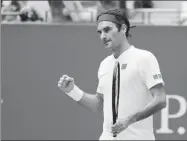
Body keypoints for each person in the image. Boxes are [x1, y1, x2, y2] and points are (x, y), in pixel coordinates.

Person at [58, 8, 166, 140]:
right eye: (100, 32)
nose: (102, 36)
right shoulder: (104, 64)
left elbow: (160, 100)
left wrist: (129, 120)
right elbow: (99, 105)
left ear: (123, 29)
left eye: (107, 29)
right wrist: (72, 91)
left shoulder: (144, 58)